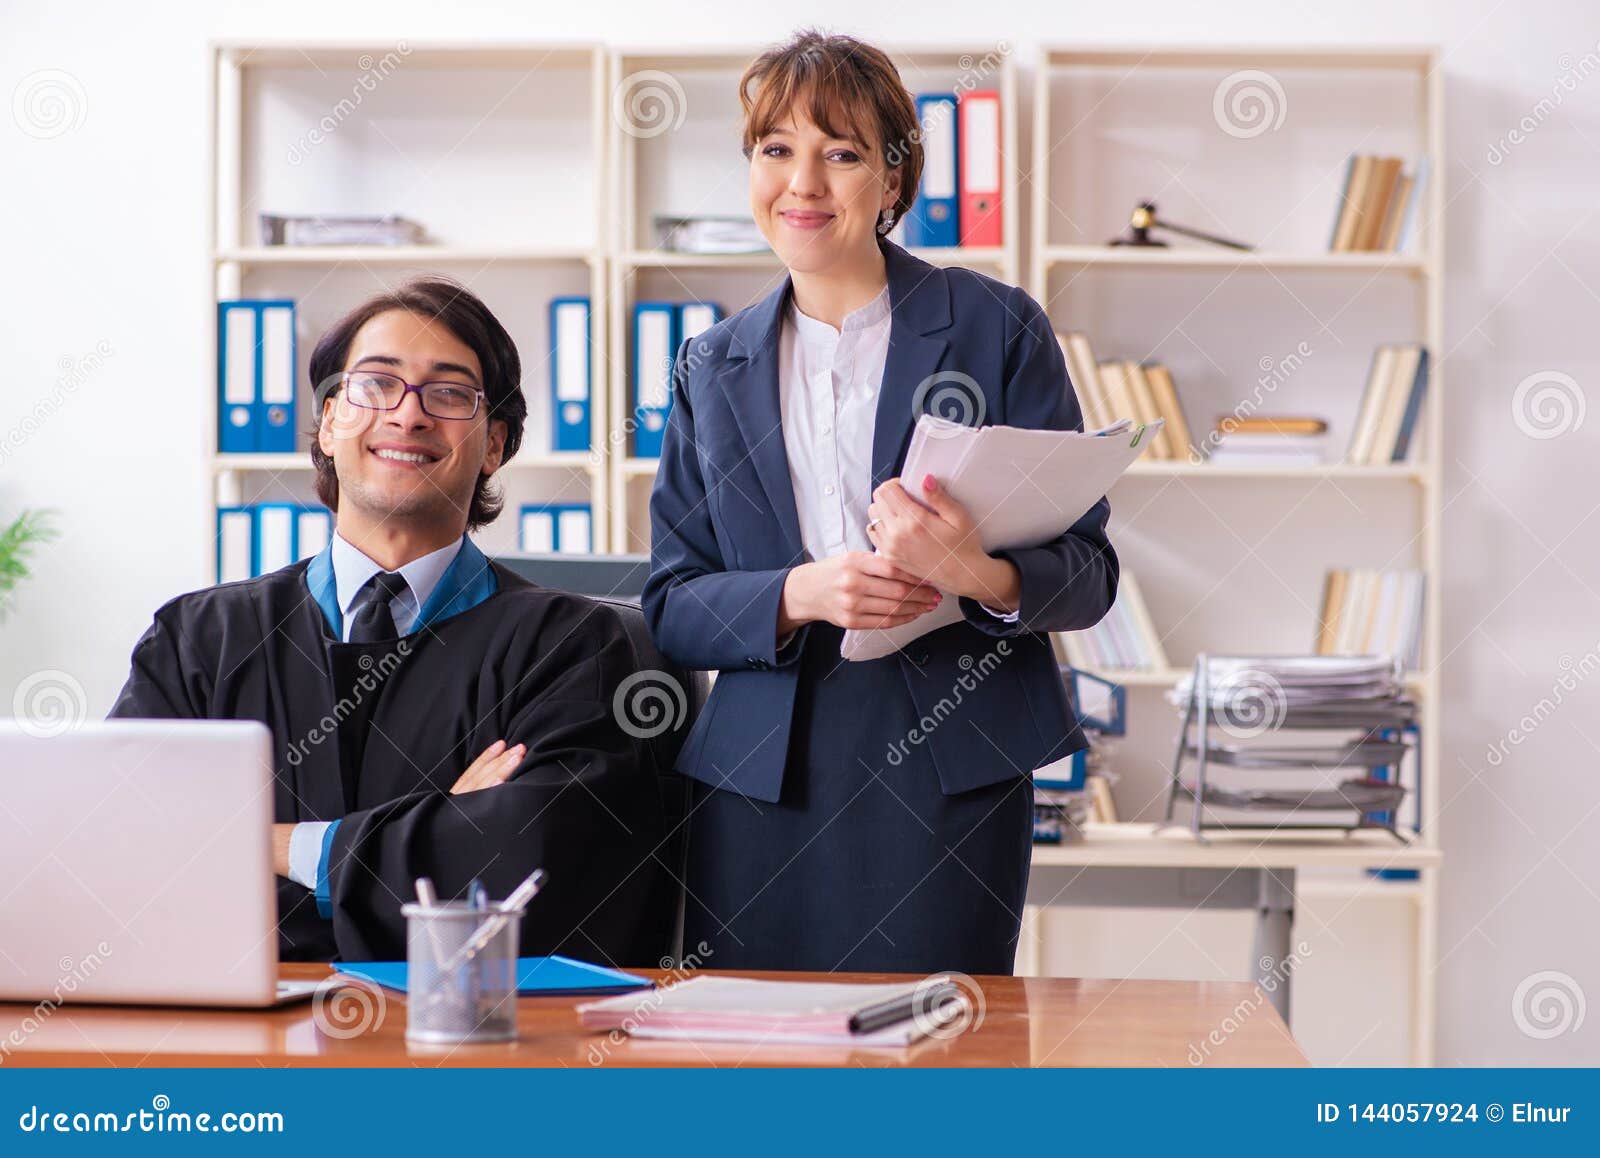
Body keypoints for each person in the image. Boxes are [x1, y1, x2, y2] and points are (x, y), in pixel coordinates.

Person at [643, 31, 1119, 975]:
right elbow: (671, 605)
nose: (803, 182)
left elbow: (1090, 574)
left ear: (895, 181)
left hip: (948, 769)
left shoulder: (995, 326)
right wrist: (802, 594)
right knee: (764, 1072)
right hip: (763, 783)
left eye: (843, 152)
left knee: (938, 1069)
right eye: (776, 149)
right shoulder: (712, 363)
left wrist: (973, 573)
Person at [112, 278, 670, 965]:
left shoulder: (576, 650)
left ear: (494, 444)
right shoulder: (199, 642)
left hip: (477, 1053)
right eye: (375, 385)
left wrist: (268, 843)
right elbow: (126, 865)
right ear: (326, 422)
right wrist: (446, 829)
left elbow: (533, 885)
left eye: (449, 393)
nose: (408, 417)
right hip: (240, 1049)